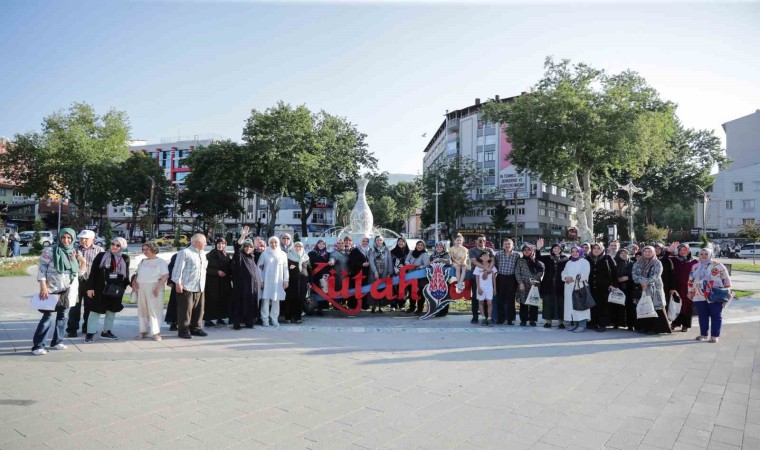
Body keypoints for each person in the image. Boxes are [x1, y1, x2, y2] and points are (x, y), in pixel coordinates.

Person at [32, 228, 83, 355]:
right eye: (63, 237)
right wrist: (43, 286)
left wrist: (83, 261)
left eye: (69, 238)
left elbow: (79, 273)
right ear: (59, 238)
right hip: (52, 289)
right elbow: (42, 269)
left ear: (72, 239)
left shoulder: (73, 252)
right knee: (47, 317)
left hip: (68, 289)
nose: (66, 240)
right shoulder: (50, 250)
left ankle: (57, 341)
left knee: (63, 316)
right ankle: (38, 346)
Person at [86, 237, 130, 343]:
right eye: (113, 244)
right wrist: (90, 288)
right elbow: (93, 272)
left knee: (111, 310)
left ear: (122, 247)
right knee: (95, 310)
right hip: (100, 288)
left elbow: (126, 275)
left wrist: (123, 288)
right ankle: (90, 333)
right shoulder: (101, 255)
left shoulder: (125, 258)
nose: (114, 247)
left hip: (116, 290)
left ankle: (106, 331)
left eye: (118, 245)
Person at [688, 248, 732, 343]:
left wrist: (728, 290)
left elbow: (726, 279)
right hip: (699, 294)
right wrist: (690, 291)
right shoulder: (695, 266)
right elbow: (691, 280)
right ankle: (703, 334)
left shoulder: (718, 265)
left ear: (710, 254)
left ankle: (714, 336)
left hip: (714, 294)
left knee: (716, 315)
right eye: (701, 254)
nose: (703, 256)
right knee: (702, 315)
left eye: (706, 254)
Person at [66, 229, 104, 338]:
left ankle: (88, 328)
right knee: (74, 306)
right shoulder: (73, 250)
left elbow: (102, 267)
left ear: (93, 239)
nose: (83, 241)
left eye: (86, 239)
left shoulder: (99, 250)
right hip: (76, 281)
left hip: (91, 282)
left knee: (90, 306)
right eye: (81, 238)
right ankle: (72, 330)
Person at [171, 233, 209, 339]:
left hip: (199, 286)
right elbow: (177, 269)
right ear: (197, 242)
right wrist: (178, 283)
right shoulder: (185, 253)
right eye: (204, 241)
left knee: (199, 309)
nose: (206, 243)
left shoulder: (202, 254)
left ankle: (195, 328)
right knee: (185, 310)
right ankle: (183, 330)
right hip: (187, 286)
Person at [132, 241, 169, 341]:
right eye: (143, 249)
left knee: (154, 310)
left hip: (154, 286)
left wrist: (158, 287)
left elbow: (165, 275)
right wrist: (134, 284)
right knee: (142, 309)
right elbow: (137, 274)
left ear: (153, 249)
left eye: (147, 249)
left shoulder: (160, 262)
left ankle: (155, 332)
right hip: (141, 287)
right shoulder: (143, 261)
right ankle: (143, 330)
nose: (145, 251)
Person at [631, 246, 672, 335]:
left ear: (653, 253)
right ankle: (643, 327)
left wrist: (646, 282)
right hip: (641, 288)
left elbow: (657, 275)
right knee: (644, 306)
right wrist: (642, 282)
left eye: (649, 251)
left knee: (656, 307)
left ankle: (655, 328)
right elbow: (634, 275)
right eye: (645, 251)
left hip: (654, 289)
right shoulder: (638, 263)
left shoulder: (657, 263)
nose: (647, 253)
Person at [230, 236, 262, 329]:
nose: (248, 248)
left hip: (251, 285)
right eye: (246, 246)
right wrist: (243, 236)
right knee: (239, 303)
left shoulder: (251, 257)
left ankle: (248, 321)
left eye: (250, 247)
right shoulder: (240, 256)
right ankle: (237, 322)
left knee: (249, 303)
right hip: (241, 285)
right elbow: (237, 248)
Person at [667, 242, 699, 332]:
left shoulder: (695, 262)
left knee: (687, 306)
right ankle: (675, 323)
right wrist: (669, 250)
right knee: (676, 304)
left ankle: (686, 325)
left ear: (688, 250)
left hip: (688, 288)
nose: (682, 252)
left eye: (685, 250)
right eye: (680, 250)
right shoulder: (674, 260)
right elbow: (663, 258)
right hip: (676, 287)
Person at [535, 239, 567, 328]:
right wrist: (538, 248)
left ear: (561, 250)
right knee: (548, 303)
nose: (556, 250)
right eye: (554, 248)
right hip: (548, 284)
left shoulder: (565, 259)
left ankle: (561, 322)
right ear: (552, 249)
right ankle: (548, 322)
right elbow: (538, 257)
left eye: (558, 248)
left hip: (560, 285)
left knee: (561, 303)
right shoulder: (548, 258)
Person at [259, 236, 289, 327]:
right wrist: (261, 280)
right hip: (267, 280)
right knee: (266, 299)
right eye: (271, 242)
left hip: (278, 281)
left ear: (278, 243)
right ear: (269, 243)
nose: (273, 244)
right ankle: (265, 319)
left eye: (275, 242)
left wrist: (286, 280)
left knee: (276, 300)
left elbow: (285, 268)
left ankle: (274, 318)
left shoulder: (283, 254)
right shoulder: (265, 254)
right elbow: (259, 267)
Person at [586, 242, 616, 332]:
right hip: (591, 286)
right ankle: (593, 322)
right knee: (592, 305)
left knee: (603, 306)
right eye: (594, 248)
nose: (596, 250)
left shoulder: (607, 258)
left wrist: (614, 284)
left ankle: (602, 324)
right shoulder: (587, 258)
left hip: (604, 287)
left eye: (598, 248)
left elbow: (614, 272)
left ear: (602, 249)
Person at [561, 246, 591, 333]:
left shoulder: (585, 262)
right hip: (569, 287)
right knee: (571, 306)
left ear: (580, 252)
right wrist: (565, 278)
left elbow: (584, 275)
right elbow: (564, 272)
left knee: (580, 306)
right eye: (572, 251)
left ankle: (582, 325)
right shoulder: (569, 262)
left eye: (576, 252)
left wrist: (573, 278)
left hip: (579, 287)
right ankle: (575, 323)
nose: (574, 253)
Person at [204, 238, 232, 328]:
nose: (221, 246)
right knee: (211, 300)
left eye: (223, 244)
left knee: (222, 300)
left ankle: (220, 318)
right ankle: (208, 319)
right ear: (216, 244)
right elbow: (205, 268)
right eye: (219, 244)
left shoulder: (226, 255)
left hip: (224, 282)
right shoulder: (210, 255)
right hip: (213, 282)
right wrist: (217, 272)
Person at [516, 244, 544, 327]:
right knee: (523, 302)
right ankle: (523, 320)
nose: (526, 251)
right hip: (523, 284)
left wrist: (534, 280)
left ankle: (533, 320)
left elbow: (541, 271)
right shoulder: (520, 261)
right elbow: (517, 272)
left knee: (533, 302)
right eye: (525, 250)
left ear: (532, 251)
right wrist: (520, 283)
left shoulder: (537, 260)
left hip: (534, 284)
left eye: (529, 250)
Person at [468, 235, 495, 325]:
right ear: (476, 241)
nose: (481, 242)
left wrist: (487, 272)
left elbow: (493, 261)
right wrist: (486, 269)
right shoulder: (472, 250)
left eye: (483, 240)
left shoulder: (490, 250)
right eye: (480, 240)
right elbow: (474, 261)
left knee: (488, 300)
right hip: (476, 277)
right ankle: (475, 317)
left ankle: (487, 318)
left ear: (485, 241)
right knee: (476, 298)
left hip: (488, 278)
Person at [494, 239, 520, 325]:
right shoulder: (498, 254)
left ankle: (510, 319)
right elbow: (495, 265)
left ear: (512, 245)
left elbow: (517, 268)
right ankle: (501, 318)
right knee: (500, 299)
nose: (507, 245)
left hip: (512, 278)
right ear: (502, 246)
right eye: (505, 244)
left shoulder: (516, 255)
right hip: (501, 278)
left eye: (509, 244)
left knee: (511, 299)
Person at [285, 241, 310, 324]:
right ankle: (288, 317)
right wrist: (289, 268)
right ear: (293, 247)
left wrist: (310, 282)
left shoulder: (306, 257)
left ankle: (298, 317)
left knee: (300, 299)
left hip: (303, 282)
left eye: (300, 246)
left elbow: (310, 270)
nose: (298, 248)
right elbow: (284, 269)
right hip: (291, 281)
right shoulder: (288, 257)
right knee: (290, 299)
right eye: (296, 246)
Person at [368, 236, 393, 313]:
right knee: (373, 289)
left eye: (381, 240)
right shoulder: (372, 250)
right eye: (378, 240)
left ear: (383, 241)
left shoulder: (386, 250)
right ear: (375, 241)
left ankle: (380, 306)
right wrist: (375, 272)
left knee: (382, 289)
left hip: (384, 272)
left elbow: (389, 261)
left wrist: (389, 272)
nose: (379, 241)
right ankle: (373, 306)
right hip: (374, 273)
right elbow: (371, 262)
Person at [405, 240, 431, 315]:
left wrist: (419, 267)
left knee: (420, 292)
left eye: (421, 245)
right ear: (416, 245)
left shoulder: (425, 254)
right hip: (411, 275)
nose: (419, 246)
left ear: (423, 247)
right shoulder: (411, 252)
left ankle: (420, 308)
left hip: (421, 276)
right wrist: (409, 265)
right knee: (411, 291)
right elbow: (406, 260)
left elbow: (426, 264)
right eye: (418, 245)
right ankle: (412, 307)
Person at [614, 249, 636, 331]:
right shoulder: (614, 263)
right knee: (618, 305)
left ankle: (630, 324)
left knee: (630, 306)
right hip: (618, 287)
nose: (624, 255)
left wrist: (628, 277)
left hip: (629, 287)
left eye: (626, 253)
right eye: (622, 253)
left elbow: (636, 273)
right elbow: (611, 274)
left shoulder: (632, 263)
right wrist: (617, 279)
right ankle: (617, 323)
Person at [473, 251, 498, 326]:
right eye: (483, 256)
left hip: (489, 287)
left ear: (489, 258)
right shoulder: (478, 267)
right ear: (480, 258)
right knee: (481, 302)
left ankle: (489, 318)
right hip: (481, 287)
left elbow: (494, 278)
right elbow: (477, 278)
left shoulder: (492, 267)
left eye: (487, 256)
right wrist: (479, 288)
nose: (485, 257)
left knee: (489, 303)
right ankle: (483, 318)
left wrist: (494, 288)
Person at [348, 236, 371, 311]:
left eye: (366, 241)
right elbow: (351, 262)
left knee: (364, 289)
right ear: (360, 242)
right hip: (356, 274)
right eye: (363, 241)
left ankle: (364, 306)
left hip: (365, 274)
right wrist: (361, 264)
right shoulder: (355, 250)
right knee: (355, 289)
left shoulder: (369, 250)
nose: (365, 243)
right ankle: (353, 306)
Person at [309, 239, 331, 315]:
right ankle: (312, 307)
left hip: (324, 276)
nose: (321, 245)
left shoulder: (328, 254)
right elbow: (310, 264)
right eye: (320, 243)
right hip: (315, 276)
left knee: (323, 291)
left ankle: (321, 308)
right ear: (317, 244)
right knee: (314, 291)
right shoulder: (311, 253)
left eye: (323, 244)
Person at [390, 238, 410, 311]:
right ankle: (393, 305)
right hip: (394, 273)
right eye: (399, 241)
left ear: (405, 243)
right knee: (393, 288)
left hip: (405, 274)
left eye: (402, 241)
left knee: (403, 289)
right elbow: (390, 263)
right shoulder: (392, 252)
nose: (401, 243)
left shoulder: (408, 252)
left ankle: (402, 304)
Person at [164, 253, 179, 331]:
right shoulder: (178, 255)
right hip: (176, 283)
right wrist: (170, 281)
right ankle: (173, 322)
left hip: (190, 284)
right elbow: (170, 268)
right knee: (174, 303)